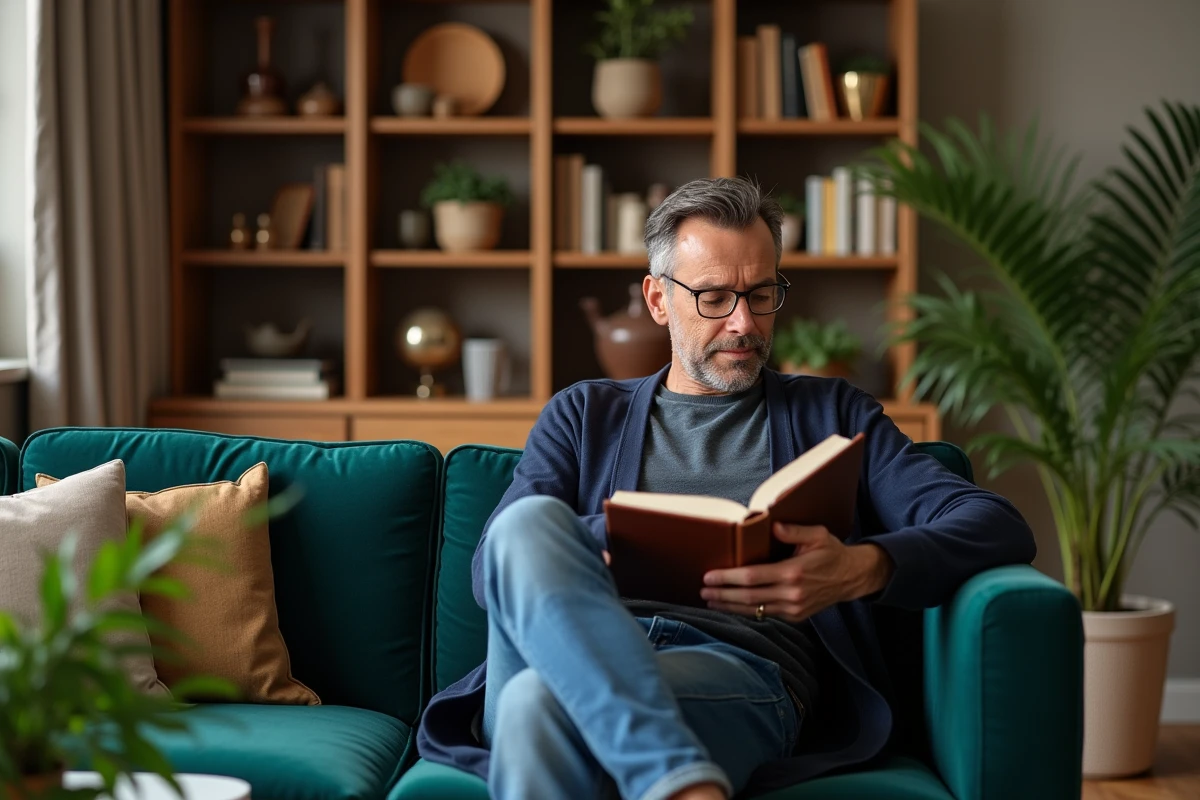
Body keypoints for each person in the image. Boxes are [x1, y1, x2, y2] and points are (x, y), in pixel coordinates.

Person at [415, 177, 1035, 800]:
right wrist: (624, 545)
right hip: (570, 646)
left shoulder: (833, 415)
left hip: (735, 671)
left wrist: (859, 569)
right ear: (658, 300)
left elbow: (994, 523)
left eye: (761, 294)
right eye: (713, 297)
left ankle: (668, 775)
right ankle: (679, 781)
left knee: (532, 704)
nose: (743, 323)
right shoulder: (582, 415)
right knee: (525, 529)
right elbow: (493, 570)